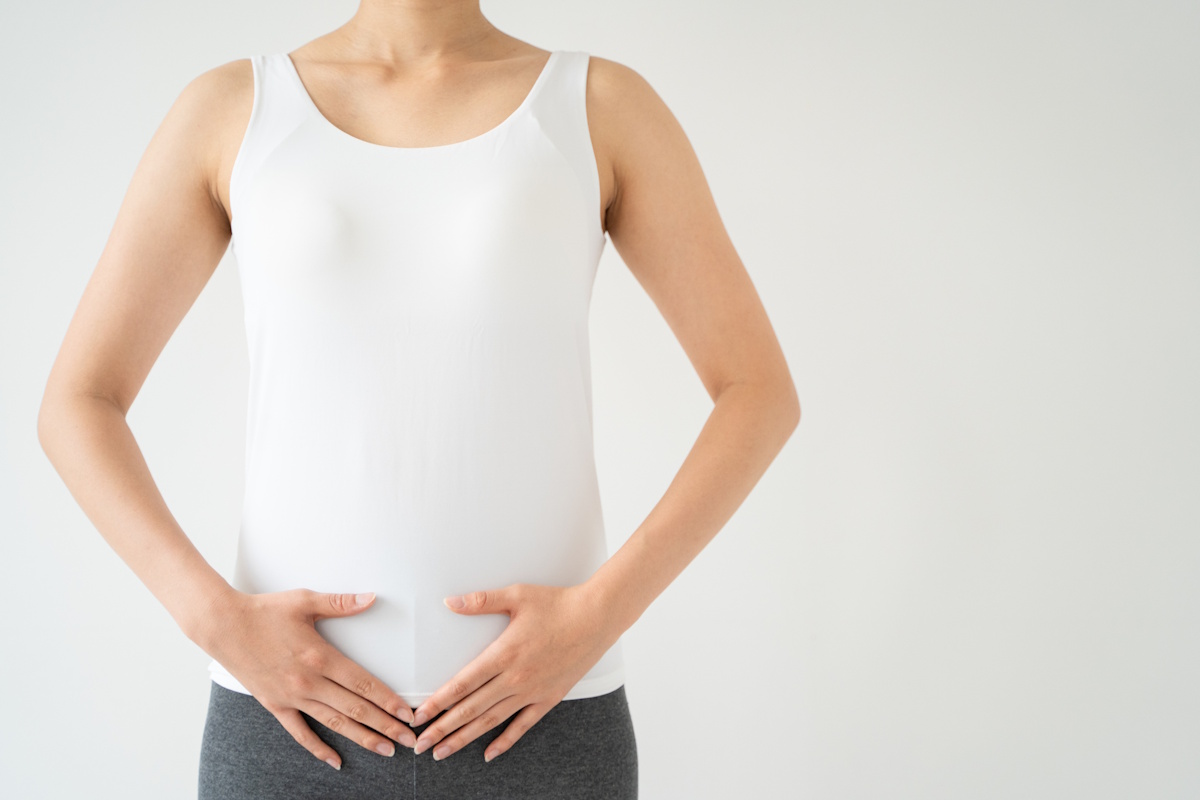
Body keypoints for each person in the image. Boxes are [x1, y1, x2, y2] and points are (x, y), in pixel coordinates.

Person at [37, 2, 800, 798]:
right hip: (286, 721)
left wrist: (602, 614)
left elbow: (756, 391)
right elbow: (79, 401)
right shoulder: (235, 108)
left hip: (542, 718)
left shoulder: (595, 105)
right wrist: (214, 620)